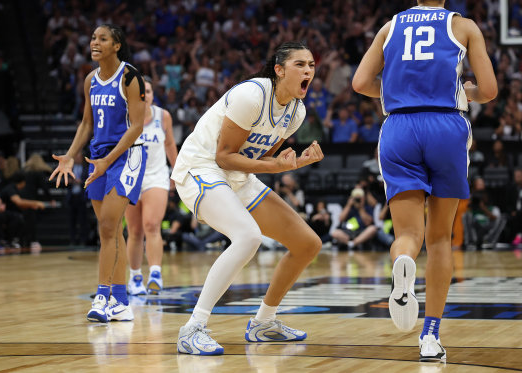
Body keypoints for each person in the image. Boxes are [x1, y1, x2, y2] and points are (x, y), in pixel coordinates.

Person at [353, 0, 497, 362]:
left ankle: (403, 261)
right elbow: (490, 90)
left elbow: (359, 83)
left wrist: (395, 92)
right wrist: (467, 91)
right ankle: (430, 335)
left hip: (399, 127)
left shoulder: (389, 27)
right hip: (445, 127)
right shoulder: (463, 27)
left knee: (408, 236)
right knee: (439, 238)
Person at [171, 41, 323, 355]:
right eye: (300, 64)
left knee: (308, 243)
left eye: (311, 65)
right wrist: (275, 166)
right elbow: (225, 156)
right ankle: (193, 328)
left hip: (236, 178)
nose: (308, 70)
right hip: (200, 168)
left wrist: (294, 163)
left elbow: (259, 160)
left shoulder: (296, 111)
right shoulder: (251, 95)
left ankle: (263, 323)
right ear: (279, 70)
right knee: (248, 236)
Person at [49, 24, 147, 324]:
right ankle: (121, 302)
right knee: (111, 232)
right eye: (93, 38)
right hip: (98, 157)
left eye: (102, 38)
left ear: (116, 45)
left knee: (107, 226)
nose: (95, 42)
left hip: (126, 155)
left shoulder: (130, 76)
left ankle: (102, 295)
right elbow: (86, 124)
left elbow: (137, 127)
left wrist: (108, 160)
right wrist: (70, 154)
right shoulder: (90, 79)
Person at [125, 75, 178, 296]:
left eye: (147, 91)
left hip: (156, 176)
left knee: (151, 225)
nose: (144, 96)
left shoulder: (162, 116)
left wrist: (177, 171)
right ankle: (135, 276)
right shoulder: (124, 117)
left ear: (152, 95)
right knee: (135, 231)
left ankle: (155, 273)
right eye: (139, 92)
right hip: (130, 178)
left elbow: (170, 143)